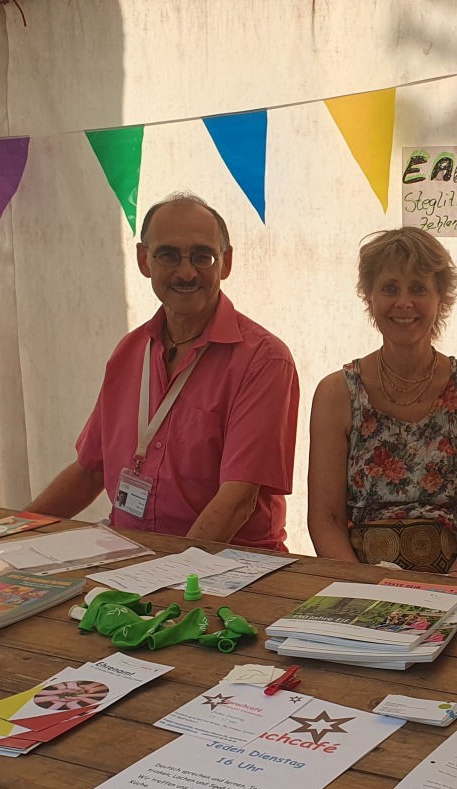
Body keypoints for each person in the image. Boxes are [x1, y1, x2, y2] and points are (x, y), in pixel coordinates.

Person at [27, 192, 299, 550]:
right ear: (144, 260)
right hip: (130, 556)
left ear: (226, 263)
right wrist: (8, 532)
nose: (186, 272)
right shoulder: (129, 351)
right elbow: (90, 470)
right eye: (169, 255)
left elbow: (238, 499)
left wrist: (170, 574)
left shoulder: (264, 360)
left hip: (228, 567)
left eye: (202, 256)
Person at [307, 227, 457, 583]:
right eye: (390, 288)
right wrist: (365, 589)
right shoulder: (336, 394)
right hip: (366, 581)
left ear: (441, 299)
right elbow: (324, 520)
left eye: (418, 288)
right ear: (369, 297)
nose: (404, 302)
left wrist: (454, 584)